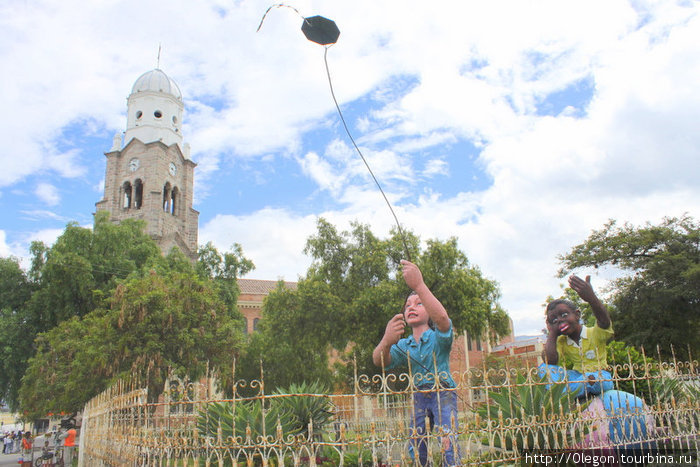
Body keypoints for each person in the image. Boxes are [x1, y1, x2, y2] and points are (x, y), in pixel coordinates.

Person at [373, 260, 459, 466]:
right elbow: (380, 361)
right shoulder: (405, 345)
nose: (412, 307)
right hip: (419, 394)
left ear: (429, 309)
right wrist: (386, 340)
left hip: (443, 391)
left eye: (419, 303)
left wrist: (419, 285)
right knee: (416, 441)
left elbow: (443, 320)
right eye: (408, 306)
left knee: (447, 440)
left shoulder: (439, 337)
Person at [539, 274, 614, 398]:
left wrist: (591, 298)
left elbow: (604, 322)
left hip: (599, 375)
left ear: (577, 315)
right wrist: (552, 332)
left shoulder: (593, 333)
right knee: (544, 369)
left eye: (564, 315)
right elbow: (550, 361)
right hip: (577, 376)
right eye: (554, 320)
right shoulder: (562, 341)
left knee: (592, 379)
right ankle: (567, 391)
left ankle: (562, 394)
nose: (559, 321)